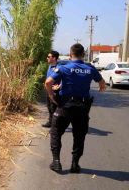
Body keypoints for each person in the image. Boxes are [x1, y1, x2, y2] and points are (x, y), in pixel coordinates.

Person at [45, 43, 106, 173]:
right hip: (82, 109)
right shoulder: (90, 69)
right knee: (79, 137)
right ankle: (75, 164)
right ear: (83, 55)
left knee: (55, 133)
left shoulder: (64, 68)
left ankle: (56, 162)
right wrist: (100, 87)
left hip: (65, 107)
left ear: (70, 54)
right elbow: (102, 83)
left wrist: (51, 96)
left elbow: (48, 82)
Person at [42, 50, 61, 128]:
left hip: (55, 91)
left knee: (54, 108)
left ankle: (55, 125)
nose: (47, 58)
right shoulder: (50, 66)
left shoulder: (59, 68)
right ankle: (50, 122)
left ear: (54, 58)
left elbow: (64, 78)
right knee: (49, 107)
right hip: (48, 90)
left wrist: (59, 86)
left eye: (49, 57)